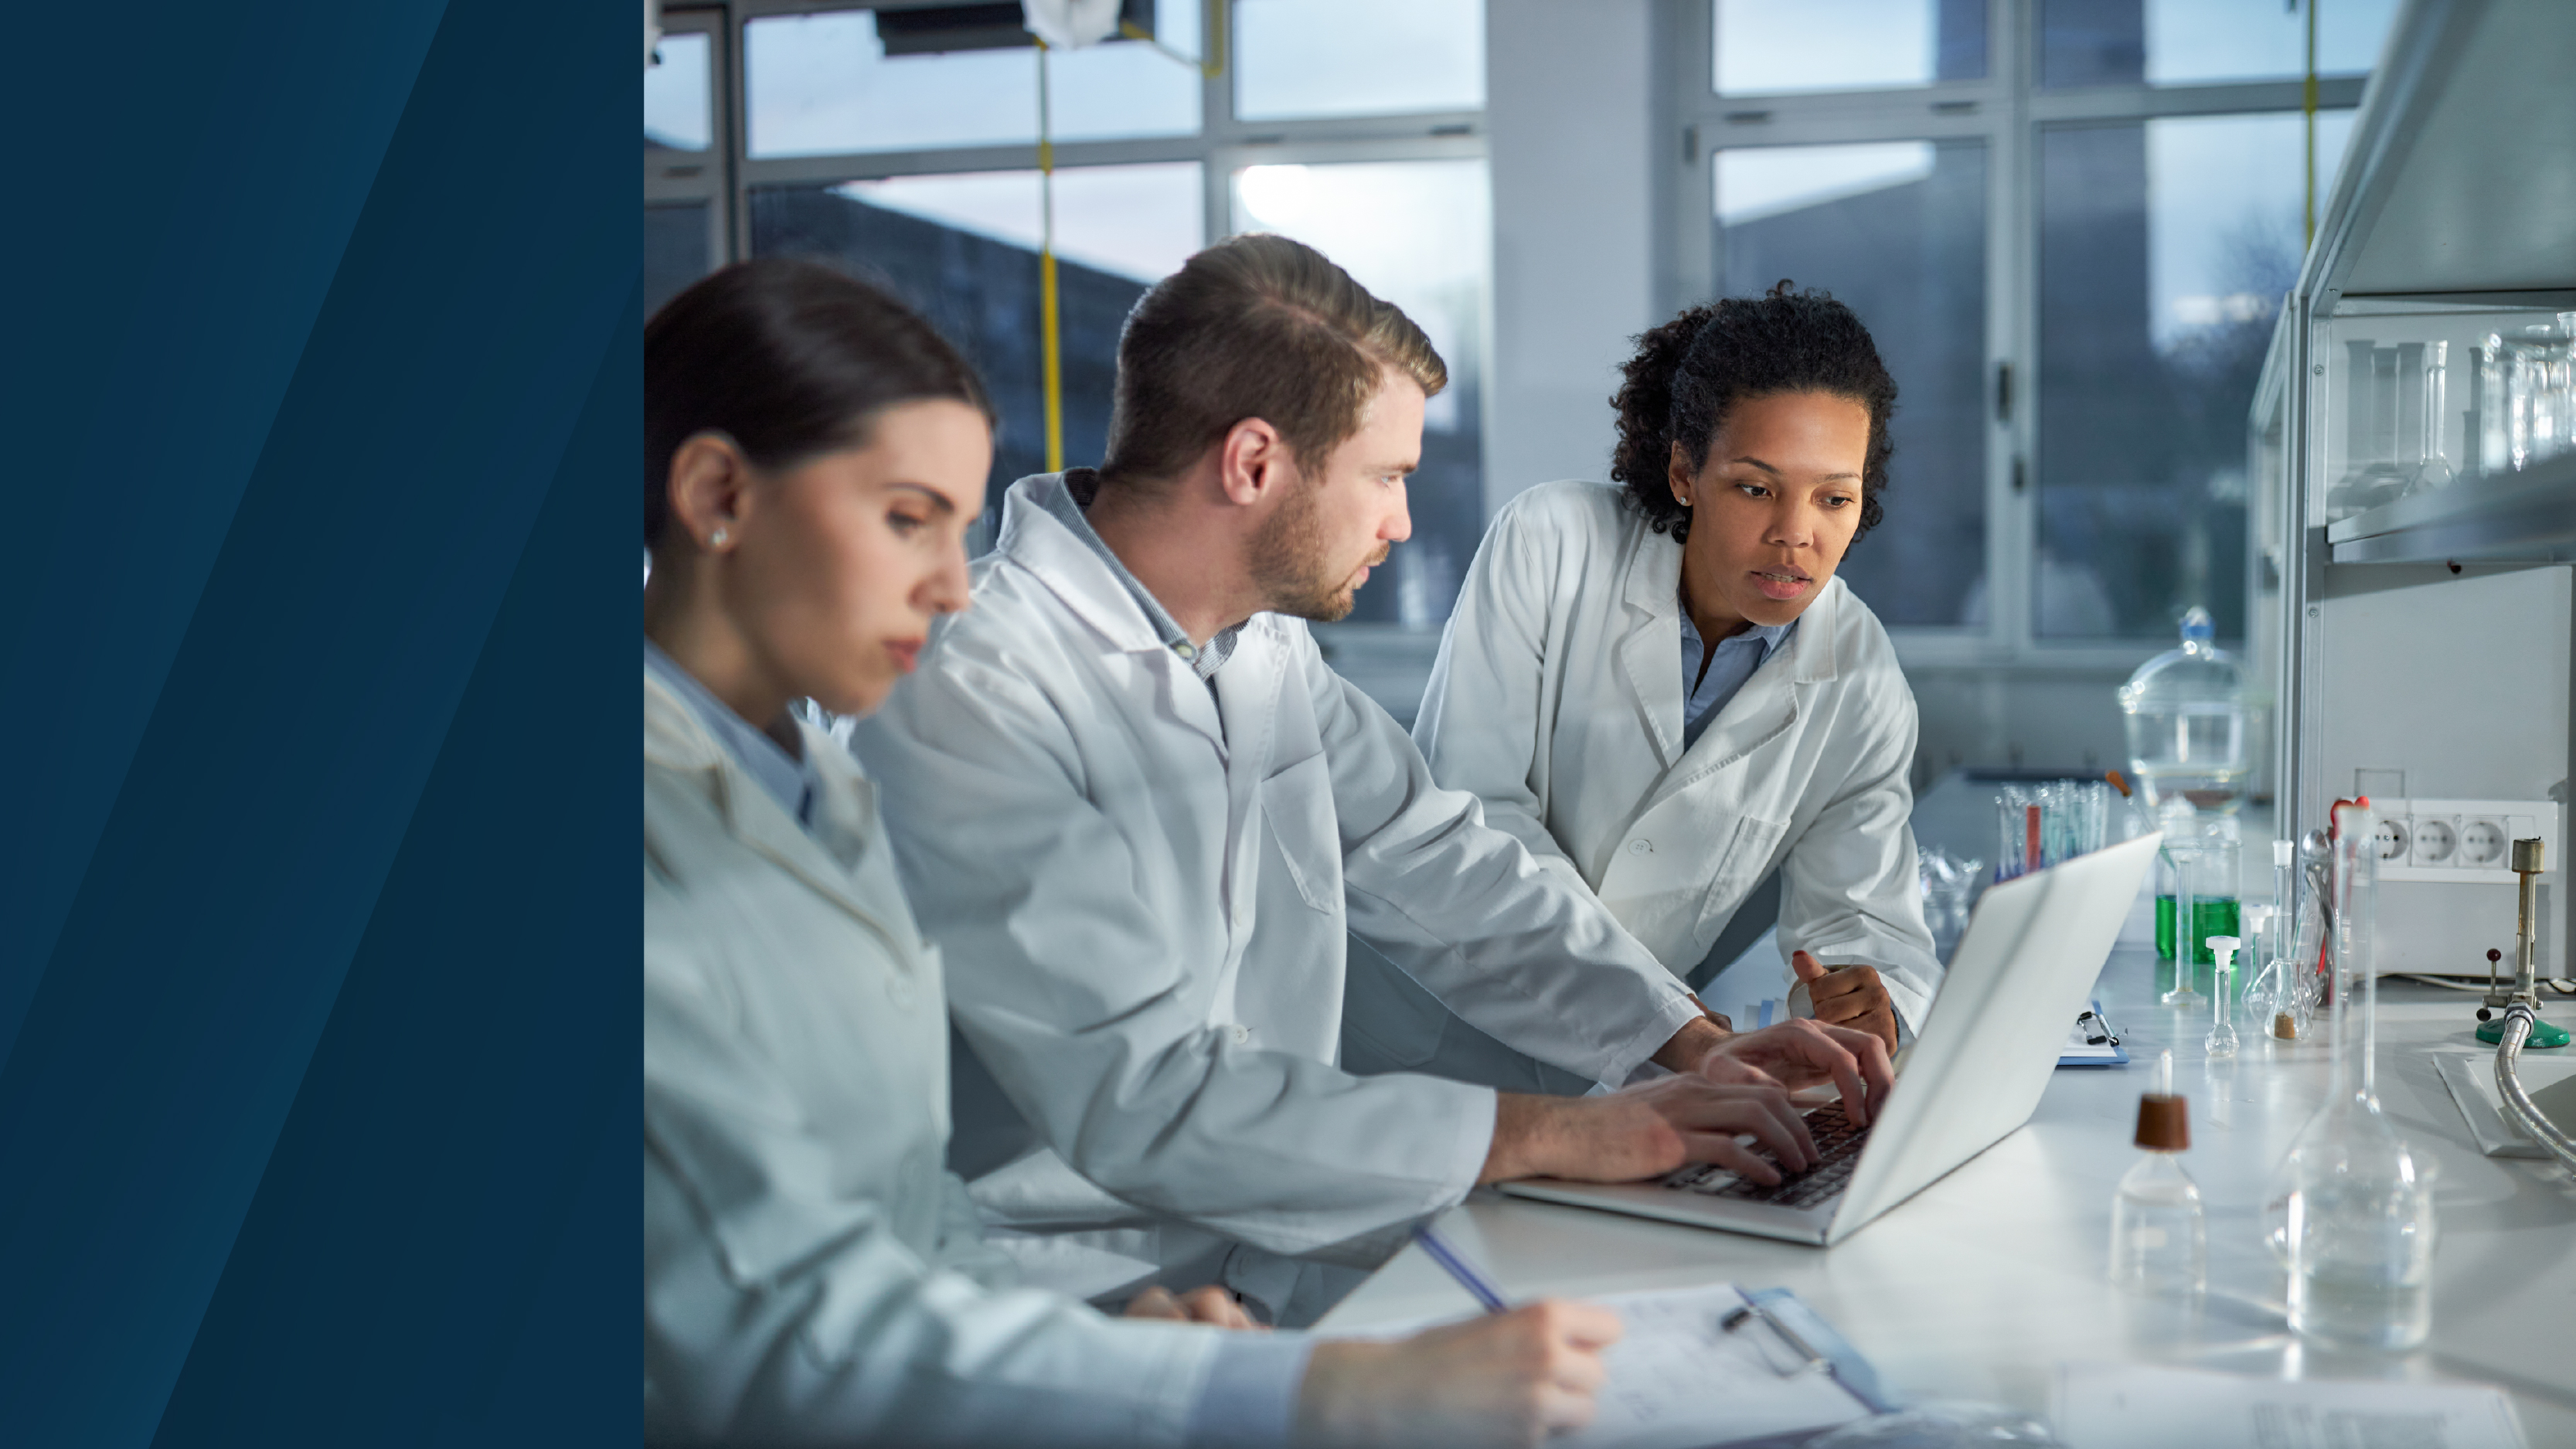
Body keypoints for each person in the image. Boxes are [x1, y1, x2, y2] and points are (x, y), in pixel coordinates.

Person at [643, 258, 1648, 1447]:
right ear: (718, 492)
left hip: (1071, 1312)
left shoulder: (806, 794)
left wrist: (1673, 1036)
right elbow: (775, 1312)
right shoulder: (919, 708)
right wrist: (1316, 1392)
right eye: (908, 517)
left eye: (957, 528)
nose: (954, 584)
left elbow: (901, 1207)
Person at [852, 236, 1892, 1326]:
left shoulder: (1258, 647)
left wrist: (1687, 1037)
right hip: (1073, 1287)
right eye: (1386, 477)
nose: (1402, 522)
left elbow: (1433, 856)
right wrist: (1560, 1131)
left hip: (1277, 1237)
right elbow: (1144, 1096)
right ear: (1253, 463)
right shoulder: (967, 681)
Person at [1380, 283, 1942, 1099]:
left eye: (1835, 498)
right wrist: (1677, 1027)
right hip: (1425, 1042)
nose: (1797, 533)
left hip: (1628, 1074)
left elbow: (1862, 920)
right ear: (1685, 469)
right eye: (1757, 487)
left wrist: (1873, 1007)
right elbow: (1478, 821)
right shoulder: (1553, 544)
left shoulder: (1861, 680)